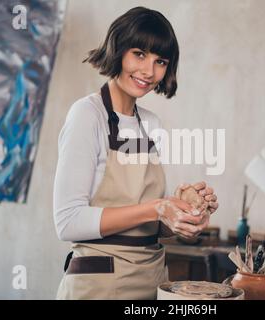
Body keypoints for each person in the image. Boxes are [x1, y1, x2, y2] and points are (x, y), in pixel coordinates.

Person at [53, 6, 218, 300]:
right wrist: (157, 207)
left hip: (153, 282)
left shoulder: (151, 124)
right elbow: (68, 222)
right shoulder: (87, 115)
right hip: (99, 284)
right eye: (139, 54)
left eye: (160, 61)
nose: (148, 71)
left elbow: (148, 225)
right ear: (118, 49)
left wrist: (183, 214)